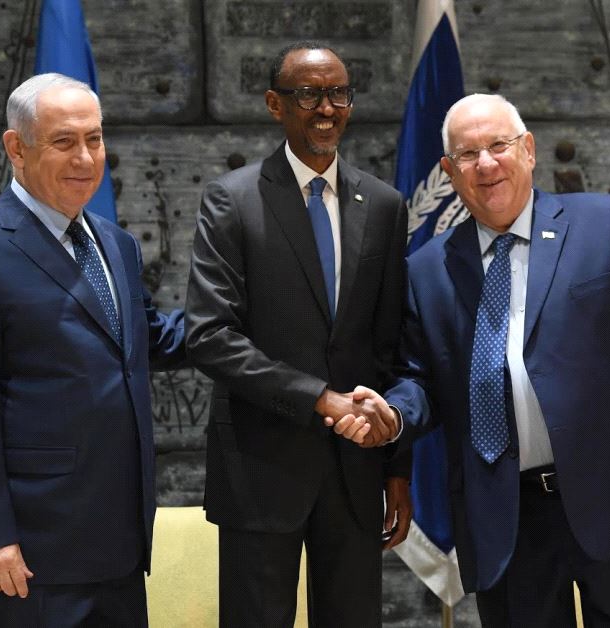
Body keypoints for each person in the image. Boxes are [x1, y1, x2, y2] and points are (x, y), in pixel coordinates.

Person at [343, 93, 610, 626]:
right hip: (506, 518)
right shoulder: (427, 270)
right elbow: (420, 379)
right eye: (468, 155)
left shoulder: (605, 224)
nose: (486, 164)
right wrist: (392, 416)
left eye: (499, 145)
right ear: (448, 173)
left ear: (528, 150)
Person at [0, 73, 186, 627]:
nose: (85, 158)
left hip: (117, 546)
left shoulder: (115, 243)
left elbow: (145, 336)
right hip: (27, 557)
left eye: (95, 139)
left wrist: (251, 323)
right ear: (17, 148)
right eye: (64, 141)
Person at [185, 41, 411, 627]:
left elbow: (390, 350)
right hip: (260, 471)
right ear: (275, 104)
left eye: (338, 94)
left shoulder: (384, 205)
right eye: (308, 94)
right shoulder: (232, 200)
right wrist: (319, 399)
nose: (326, 108)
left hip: (356, 473)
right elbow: (210, 335)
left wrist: (397, 470)